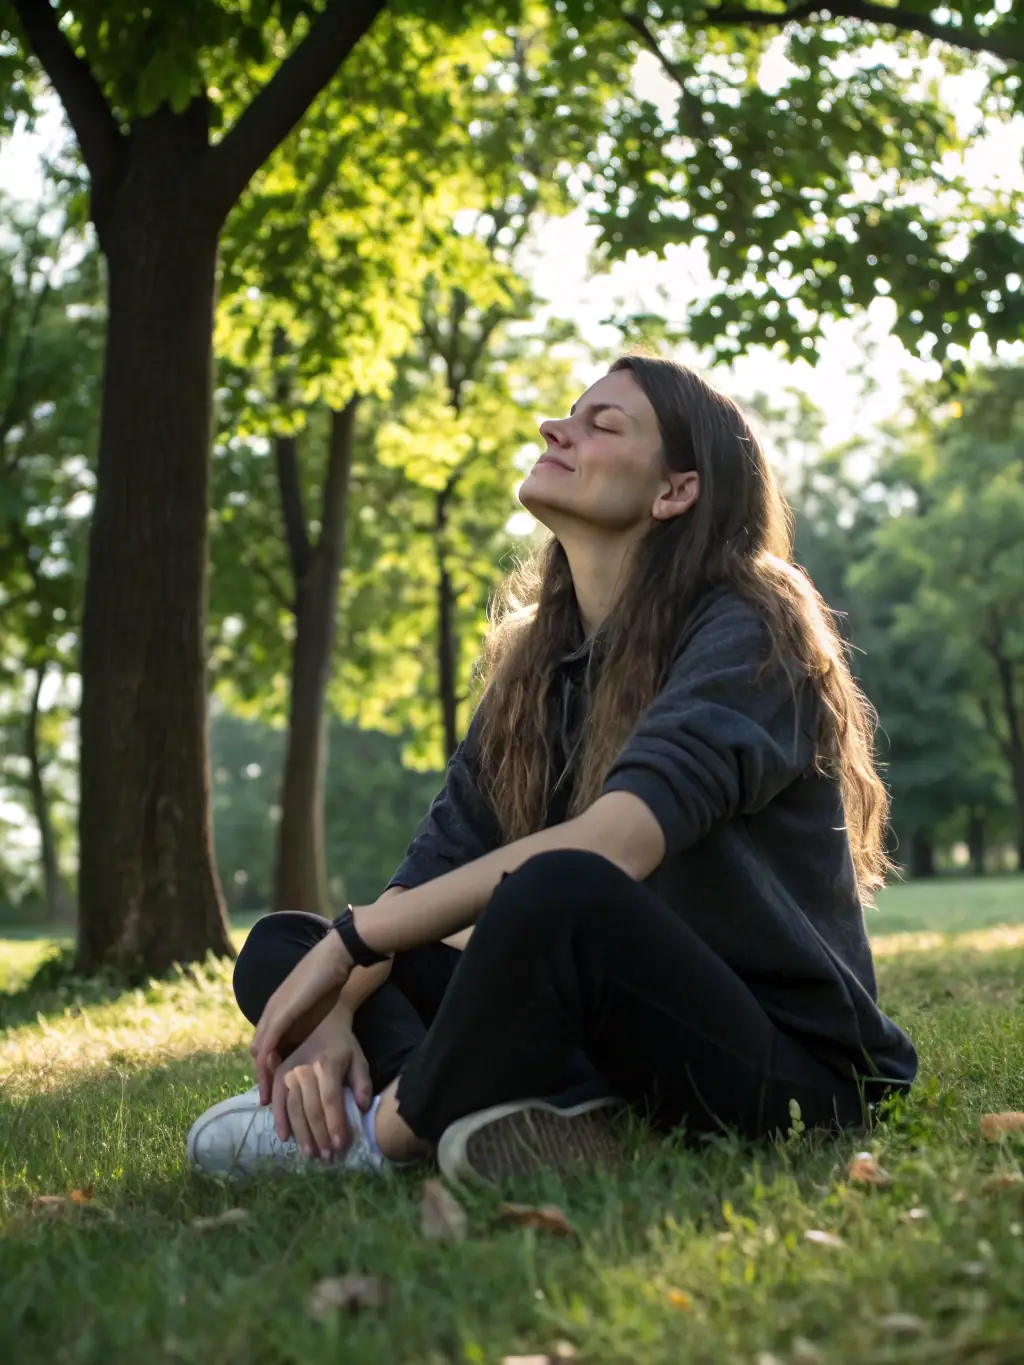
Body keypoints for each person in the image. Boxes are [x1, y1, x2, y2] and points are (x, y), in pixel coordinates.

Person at [187, 354, 917, 1185]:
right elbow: (417, 893)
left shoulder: (749, 625)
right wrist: (330, 1014)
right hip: (616, 1041)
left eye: (602, 423)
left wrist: (350, 943)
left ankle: (382, 1133)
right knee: (284, 944)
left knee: (556, 891)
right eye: (569, 413)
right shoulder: (536, 669)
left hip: (790, 1071)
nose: (554, 429)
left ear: (675, 490)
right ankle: (550, 1114)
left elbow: (617, 844)